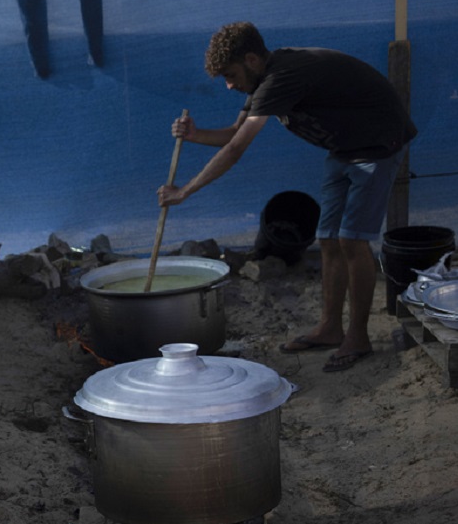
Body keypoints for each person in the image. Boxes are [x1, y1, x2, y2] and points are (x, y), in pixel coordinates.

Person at [157, 21, 417, 373]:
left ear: (251, 59)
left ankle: (358, 337)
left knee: (352, 241)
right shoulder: (263, 81)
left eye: (231, 75)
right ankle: (329, 328)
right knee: (327, 240)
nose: (230, 85)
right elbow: (233, 132)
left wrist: (184, 192)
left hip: (376, 147)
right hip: (342, 150)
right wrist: (195, 134)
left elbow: (236, 149)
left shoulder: (283, 76)